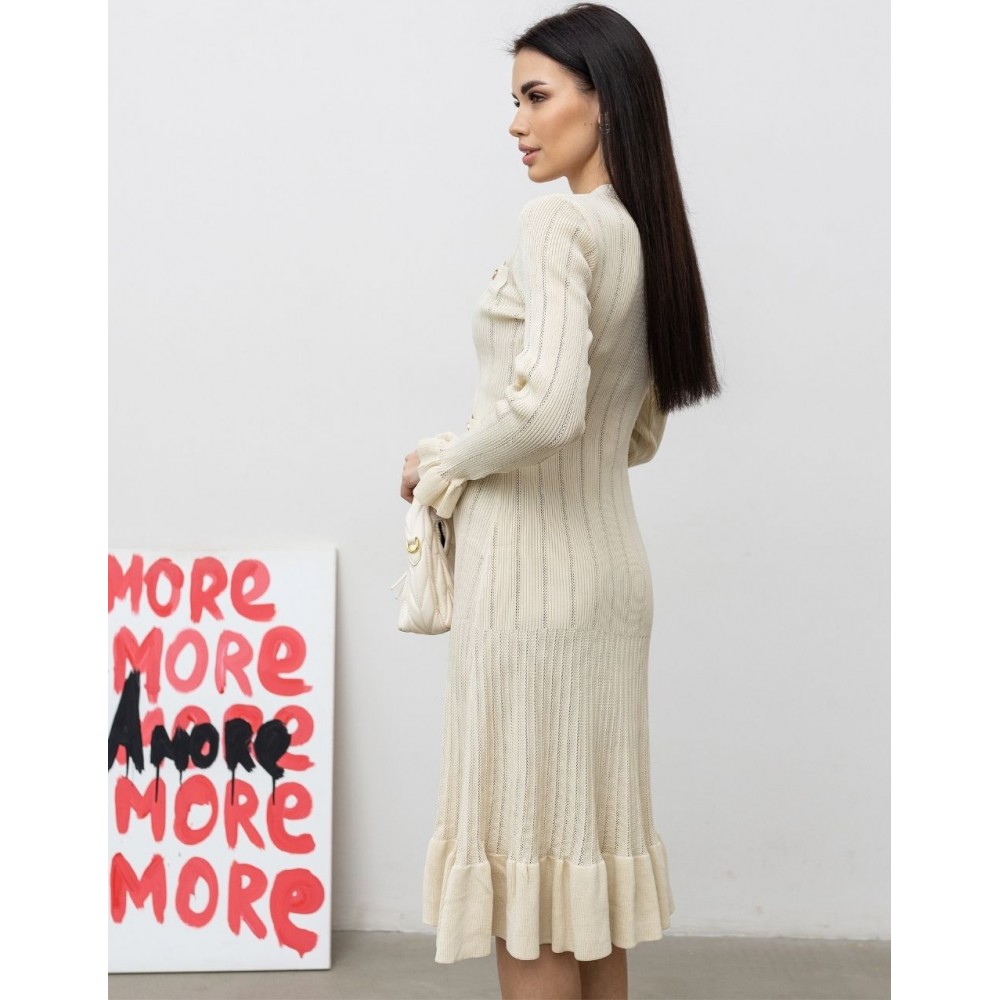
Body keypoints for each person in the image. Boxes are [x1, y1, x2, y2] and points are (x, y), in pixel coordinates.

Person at [400, 4, 721, 997]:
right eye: (515, 101)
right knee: (584, 880)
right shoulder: (645, 234)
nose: (517, 123)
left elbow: (545, 408)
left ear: (603, 99)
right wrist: (475, 447)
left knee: (527, 886)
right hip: (610, 580)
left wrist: (445, 467)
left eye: (536, 97)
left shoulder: (559, 222)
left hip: (529, 589)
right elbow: (633, 434)